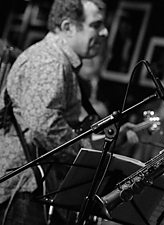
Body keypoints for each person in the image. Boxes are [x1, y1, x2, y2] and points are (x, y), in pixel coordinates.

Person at [0, 0, 136, 224]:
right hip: (24, 189)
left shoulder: (55, 60)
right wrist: (89, 154)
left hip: (29, 187)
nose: (105, 32)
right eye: (96, 24)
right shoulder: (50, 61)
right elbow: (45, 126)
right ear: (67, 27)